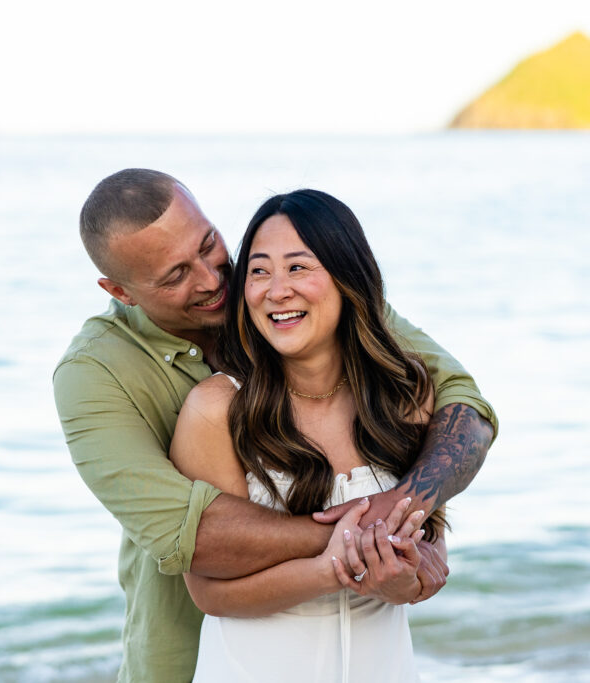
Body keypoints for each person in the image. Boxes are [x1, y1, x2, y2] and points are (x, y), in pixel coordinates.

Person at [53, 169, 497, 683]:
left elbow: (462, 408)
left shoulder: (295, 293)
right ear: (120, 291)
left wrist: (410, 534)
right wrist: (374, 532)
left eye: (209, 245)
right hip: (186, 656)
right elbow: (195, 536)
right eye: (175, 276)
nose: (213, 279)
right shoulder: (95, 375)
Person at [171, 189, 444, 681]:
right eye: (259, 270)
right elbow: (208, 592)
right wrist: (330, 569)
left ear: (348, 278)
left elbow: (433, 551)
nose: (276, 290)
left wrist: (405, 582)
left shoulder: (407, 392)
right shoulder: (217, 410)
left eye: (298, 268)